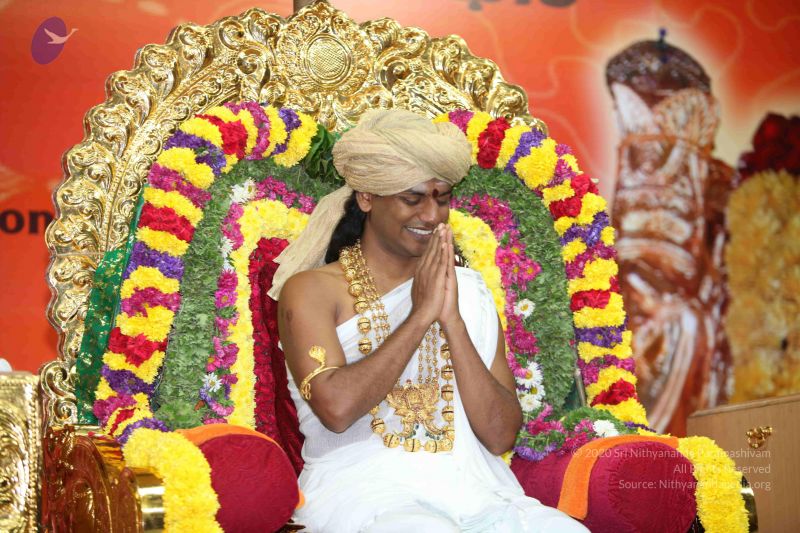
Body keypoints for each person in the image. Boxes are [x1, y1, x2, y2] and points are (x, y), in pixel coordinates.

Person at [272, 109, 588, 532]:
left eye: (442, 198)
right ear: (366, 198)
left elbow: (500, 436)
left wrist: (451, 320)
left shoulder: (467, 291)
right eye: (413, 198)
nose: (432, 215)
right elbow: (337, 410)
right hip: (366, 494)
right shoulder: (311, 290)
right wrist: (420, 315)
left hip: (478, 493)